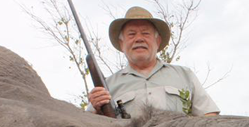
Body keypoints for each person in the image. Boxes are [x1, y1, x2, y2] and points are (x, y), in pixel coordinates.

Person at [87, 6, 219, 118]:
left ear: (158, 41)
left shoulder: (185, 75)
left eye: (145, 33)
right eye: (131, 34)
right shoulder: (107, 86)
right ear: (122, 44)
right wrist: (96, 109)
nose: (139, 39)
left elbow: (210, 117)